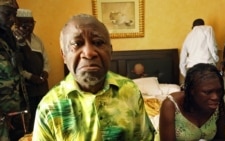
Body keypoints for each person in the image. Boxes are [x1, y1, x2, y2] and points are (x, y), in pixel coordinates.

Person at [32, 13, 155, 140]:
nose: (89, 53)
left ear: (110, 51)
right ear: (64, 55)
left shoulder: (130, 91)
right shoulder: (49, 107)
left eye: (98, 42)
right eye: (77, 44)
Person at [159, 63, 225, 141]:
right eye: (207, 92)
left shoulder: (218, 104)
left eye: (219, 91)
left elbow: (220, 138)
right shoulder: (170, 105)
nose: (215, 97)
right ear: (192, 91)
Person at [12, 8, 50, 133]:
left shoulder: (37, 40)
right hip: (28, 88)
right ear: (17, 24)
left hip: (42, 86)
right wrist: (31, 77)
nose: (29, 27)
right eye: (25, 24)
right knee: (31, 120)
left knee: (44, 116)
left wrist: (45, 73)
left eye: (31, 23)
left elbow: (45, 59)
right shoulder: (13, 40)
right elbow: (16, 67)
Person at [0, 0, 29, 140]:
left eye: (14, 14)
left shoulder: (10, 37)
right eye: (7, 14)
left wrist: (22, 45)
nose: (12, 19)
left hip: (17, 111)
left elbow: (24, 69)